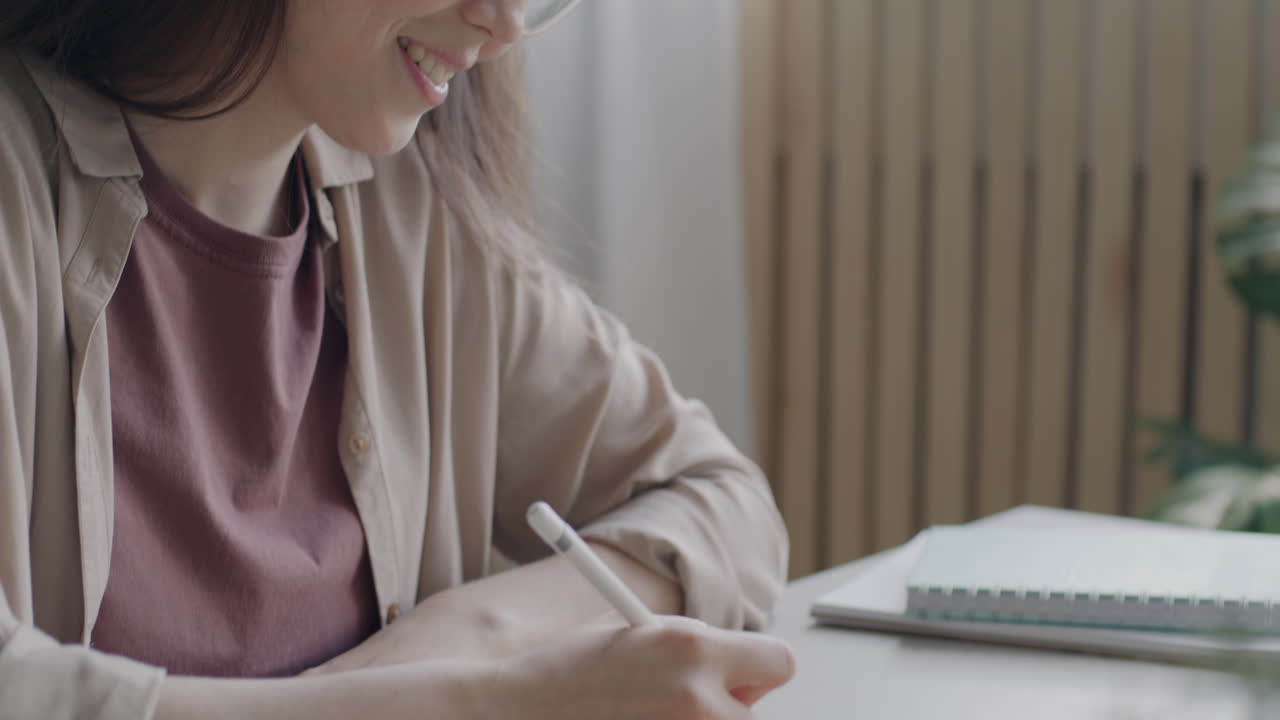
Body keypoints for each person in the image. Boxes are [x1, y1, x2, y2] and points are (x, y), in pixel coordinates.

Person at [0, 0, 795, 718]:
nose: (504, 24)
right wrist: (490, 703)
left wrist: (468, 636)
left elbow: (721, 498)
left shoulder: (419, 214)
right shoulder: (17, 193)